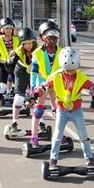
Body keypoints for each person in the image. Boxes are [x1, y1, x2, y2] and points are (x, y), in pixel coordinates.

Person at [32, 47, 94, 170]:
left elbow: (93, 87)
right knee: (57, 135)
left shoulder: (80, 76)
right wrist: (35, 95)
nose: (69, 73)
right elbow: (44, 86)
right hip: (61, 110)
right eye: (66, 70)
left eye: (72, 70)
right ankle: (53, 159)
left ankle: (89, 158)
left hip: (76, 110)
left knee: (83, 134)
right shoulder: (56, 76)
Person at [28, 20, 62, 148]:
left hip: (55, 84)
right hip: (42, 84)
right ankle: (34, 136)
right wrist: (32, 88)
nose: (52, 40)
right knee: (38, 111)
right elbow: (34, 72)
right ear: (43, 38)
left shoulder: (61, 52)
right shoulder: (37, 53)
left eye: (55, 37)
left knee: (58, 110)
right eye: (49, 37)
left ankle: (59, 135)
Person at [6, 28, 39, 133]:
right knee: (19, 98)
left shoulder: (39, 49)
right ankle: (14, 122)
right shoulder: (18, 52)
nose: (28, 46)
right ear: (21, 44)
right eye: (25, 43)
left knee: (36, 98)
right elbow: (9, 66)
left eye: (30, 43)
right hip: (21, 71)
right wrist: (9, 62)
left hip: (34, 72)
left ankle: (41, 123)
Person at [0, 18, 20, 111]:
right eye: (6, 28)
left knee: (18, 86)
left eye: (10, 28)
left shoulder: (17, 39)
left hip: (15, 65)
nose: (8, 30)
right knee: (2, 86)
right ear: (2, 29)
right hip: (3, 65)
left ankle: (19, 105)